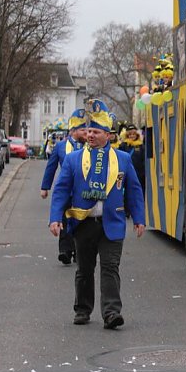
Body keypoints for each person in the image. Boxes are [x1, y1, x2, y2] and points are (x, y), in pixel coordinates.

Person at [48, 100, 145, 329]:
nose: (90, 135)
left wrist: (139, 219)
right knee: (84, 269)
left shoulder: (123, 159)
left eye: (96, 131)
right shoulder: (73, 159)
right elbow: (61, 190)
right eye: (89, 131)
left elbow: (134, 190)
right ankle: (82, 309)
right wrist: (55, 218)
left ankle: (111, 312)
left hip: (112, 222)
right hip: (84, 223)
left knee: (110, 268)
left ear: (108, 135)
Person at [40, 108, 87, 265]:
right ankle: (65, 250)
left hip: (83, 191)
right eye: (82, 130)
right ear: (73, 131)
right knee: (64, 219)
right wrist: (45, 187)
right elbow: (51, 167)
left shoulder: (89, 147)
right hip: (66, 189)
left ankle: (78, 250)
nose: (86, 132)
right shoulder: (60, 147)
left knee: (80, 221)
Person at [119, 123, 145, 196]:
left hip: (139, 175)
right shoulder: (123, 146)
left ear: (137, 135)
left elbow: (144, 161)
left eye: (133, 134)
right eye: (130, 134)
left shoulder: (141, 146)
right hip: (126, 174)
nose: (132, 136)